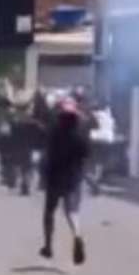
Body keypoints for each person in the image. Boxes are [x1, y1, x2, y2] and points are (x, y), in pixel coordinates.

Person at [40, 99, 91, 265]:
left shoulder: (54, 132)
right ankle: (76, 234)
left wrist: (43, 175)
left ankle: (48, 246)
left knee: (49, 212)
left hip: (55, 176)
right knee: (71, 211)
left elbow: (47, 155)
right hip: (73, 177)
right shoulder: (80, 134)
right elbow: (86, 156)